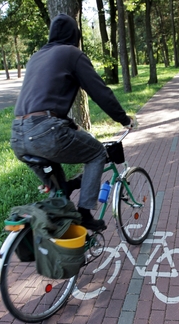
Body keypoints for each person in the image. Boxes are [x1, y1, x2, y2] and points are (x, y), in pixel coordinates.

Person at [11, 13, 135, 232]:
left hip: (19, 136)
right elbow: (100, 92)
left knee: (61, 191)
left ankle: (62, 240)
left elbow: (42, 100)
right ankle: (86, 213)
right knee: (96, 153)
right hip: (45, 132)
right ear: (75, 35)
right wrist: (124, 119)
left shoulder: (36, 57)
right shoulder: (71, 53)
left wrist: (68, 124)